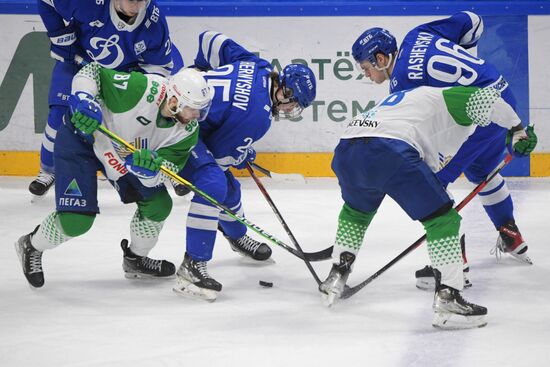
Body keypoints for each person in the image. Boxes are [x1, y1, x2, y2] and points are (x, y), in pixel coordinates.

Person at [319, 85, 537, 329]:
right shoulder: (451, 96)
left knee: (356, 212)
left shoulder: (410, 102)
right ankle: (448, 296)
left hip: (347, 149)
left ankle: (337, 275)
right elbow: (488, 100)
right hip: (390, 148)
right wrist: (517, 129)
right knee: (443, 219)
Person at [351, 12, 533, 289]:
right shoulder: (417, 34)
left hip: (480, 113)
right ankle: (510, 233)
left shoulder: (401, 83)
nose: (365, 73)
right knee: (482, 170)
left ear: (381, 58)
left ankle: (454, 264)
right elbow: (473, 21)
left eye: (366, 67)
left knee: (431, 181)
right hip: (503, 98)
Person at [15, 62, 213, 288]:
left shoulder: (187, 132)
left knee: (159, 204)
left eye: (201, 109)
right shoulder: (141, 89)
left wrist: (147, 172)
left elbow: (163, 172)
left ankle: (135, 260)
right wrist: (84, 97)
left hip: (120, 157)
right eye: (193, 108)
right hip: (82, 140)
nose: (197, 115)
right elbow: (92, 72)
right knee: (76, 222)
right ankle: (31, 245)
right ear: (174, 101)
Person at [172, 31, 317, 302]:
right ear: (284, 91)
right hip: (176, 125)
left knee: (230, 188)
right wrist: (240, 153)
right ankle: (192, 265)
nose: (289, 110)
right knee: (214, 184)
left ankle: (236, 236)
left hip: (185, 112)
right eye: (293, 103)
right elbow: (218, 157)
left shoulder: (258, 65)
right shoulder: (258, 118)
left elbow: (209, 39)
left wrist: (197, 73)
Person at [30, 0, 183, 199]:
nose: (137, 4)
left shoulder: (154, 21)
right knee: (59, 115)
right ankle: (48, 170)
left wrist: (137, 90)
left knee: (156, 111)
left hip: (124, 75)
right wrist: (59, 35)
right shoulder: (88, 4)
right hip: (79, 61)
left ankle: (167, 166)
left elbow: (158, 70)